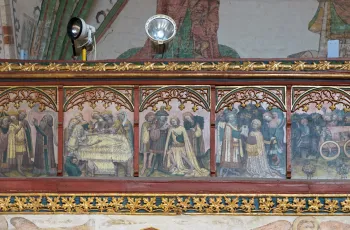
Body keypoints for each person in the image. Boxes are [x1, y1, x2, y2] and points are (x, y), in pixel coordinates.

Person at [220, 111, 245, 176]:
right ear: (228, 118)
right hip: (229, 144)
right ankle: (227, 169)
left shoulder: (235, 125)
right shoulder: (228, 125)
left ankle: (233, 169)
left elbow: (236, 133)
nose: (232, 118)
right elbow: (229, 136)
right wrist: (238, 132)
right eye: (230, 117)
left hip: (235, 143)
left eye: (233, 117)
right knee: (229, 156)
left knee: (235, 156)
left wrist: (239, 131)